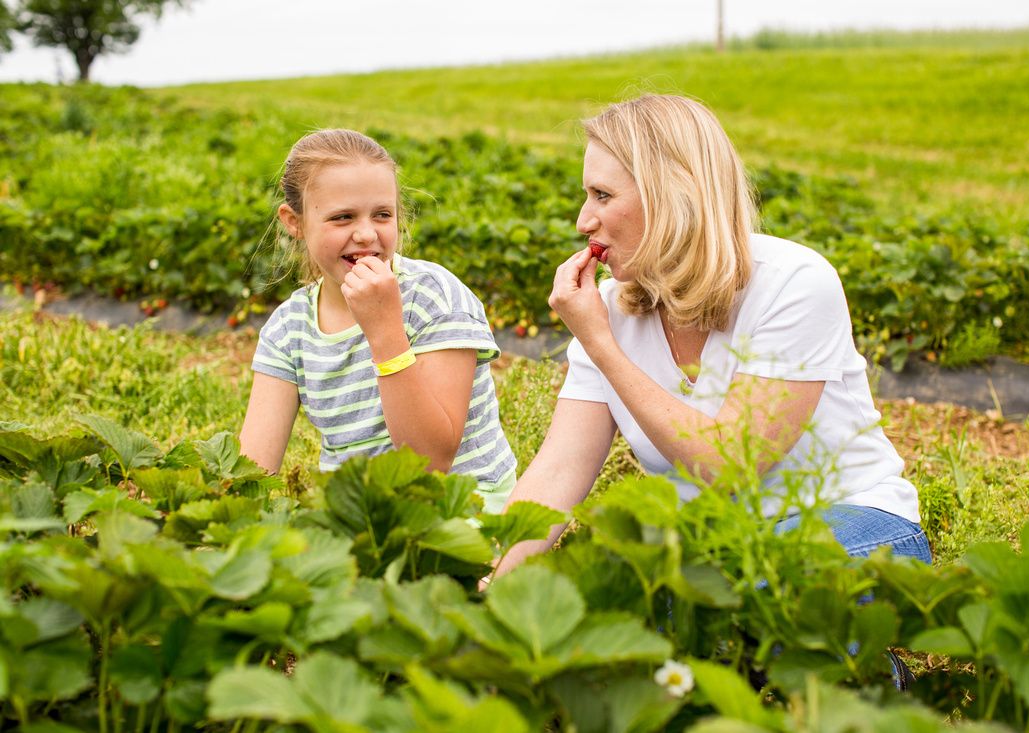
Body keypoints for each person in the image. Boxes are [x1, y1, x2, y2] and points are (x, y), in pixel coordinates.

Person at [494, 94, 930, 575]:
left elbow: (728, 466)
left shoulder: (795, 282)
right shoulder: (613, 307)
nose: (583, 220)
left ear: (673, 194)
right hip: (720, 549)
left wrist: (602, 347)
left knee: (742, 591)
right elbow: (560, 470)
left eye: (603, 195)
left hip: (855, 525)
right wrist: (491, 573)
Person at [239, 129, 517, 512]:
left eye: (382, 214)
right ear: (295, 222)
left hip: (462, 504)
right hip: (361, 513)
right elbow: (253, 468)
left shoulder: (434, 297)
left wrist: (385, 329)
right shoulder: (289, 328)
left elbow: (431, 461)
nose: (366, 233)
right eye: (342, 217)